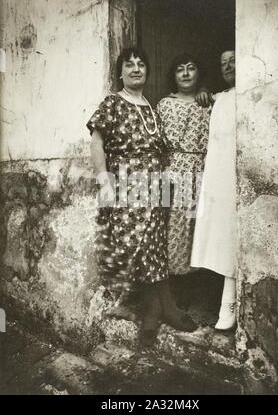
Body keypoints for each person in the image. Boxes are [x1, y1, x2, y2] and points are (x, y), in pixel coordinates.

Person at [87, 47, 196, 347]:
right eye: (129, 65)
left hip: (158, 182)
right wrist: (104, 181)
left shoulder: (152, 106)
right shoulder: (112, 103)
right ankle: (159, 308)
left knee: (156, 245)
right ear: (120, 72)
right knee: (139, 244)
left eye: (141, 65)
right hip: (129, 183)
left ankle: (158, 309)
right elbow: (97, 143)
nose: (136, 69)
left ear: (147, 71)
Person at [191, 50, 237, 330]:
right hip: (221, 178)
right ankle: (225, 303)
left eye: (233, 60)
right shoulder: (220, 98)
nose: (228, 66)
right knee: (221, 236)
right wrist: (205, 92)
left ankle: (229, 304)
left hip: (243, 178)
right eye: (223, 63)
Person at [157, 54, 211, 287]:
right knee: (172, 228)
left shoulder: (208, 103)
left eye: (191, 68)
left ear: (199, 73)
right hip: (172, 171)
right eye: (180, 69)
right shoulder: (164, 104)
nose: (186, 73)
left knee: (197, 228)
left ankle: (196, 285)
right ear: (174, 75)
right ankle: (173, 288)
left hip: (202, 172)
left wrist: (207, 92)